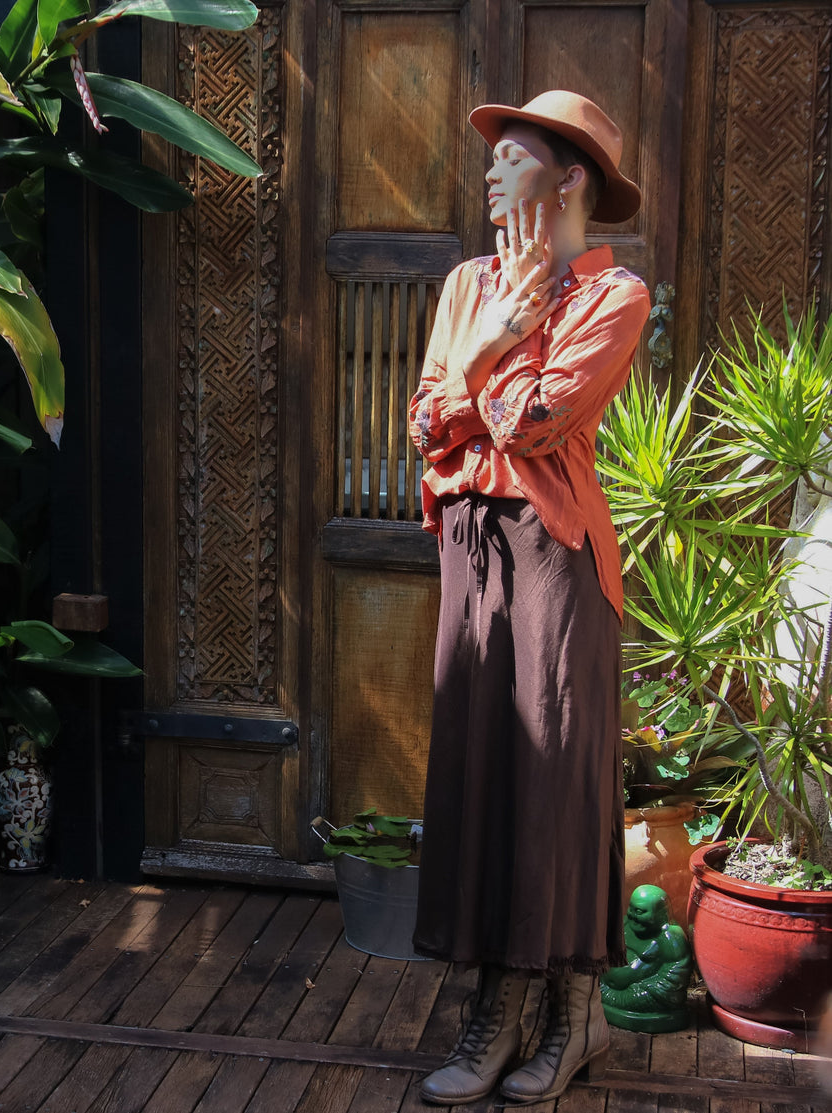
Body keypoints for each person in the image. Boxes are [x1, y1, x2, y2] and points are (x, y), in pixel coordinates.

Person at [406, 90, 651, 1105]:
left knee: (553, 780)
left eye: (509, 158)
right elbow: (426, 426)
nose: (488, 174)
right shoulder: (466, 285)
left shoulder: (613, 298)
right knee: (480, 773)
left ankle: (561, 1015)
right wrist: (482, 345)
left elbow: (533, 421)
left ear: (569, 178)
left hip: (554, 559)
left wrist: (486, 371)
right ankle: (498, 1009)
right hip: (471, 549)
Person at [601, 884, 692, 1031]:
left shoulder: (670, 937)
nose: (633, 916)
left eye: (640, 911)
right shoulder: (624, 923)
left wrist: (638, 991)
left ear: (661, 914)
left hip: (640, 993)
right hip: (604, 984)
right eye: (631, 908)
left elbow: (675, 975)